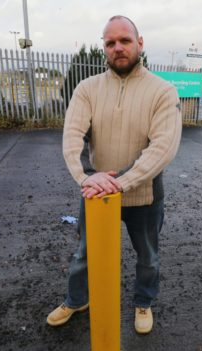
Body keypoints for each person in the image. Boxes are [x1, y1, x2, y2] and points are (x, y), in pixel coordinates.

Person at [47, 15, 182, 334]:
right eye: (110, 43)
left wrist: (117, 183)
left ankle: (144, 303)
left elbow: (163, 147)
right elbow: (72, 137)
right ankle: (77, 298)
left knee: (148, 256)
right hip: (95, 192)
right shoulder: (87, 89)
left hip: (143, 195)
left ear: (140, 43)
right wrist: (86, 178)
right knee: (84, 254)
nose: (118, 47)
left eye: (125, 40)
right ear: (104, 48)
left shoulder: (163, 91)